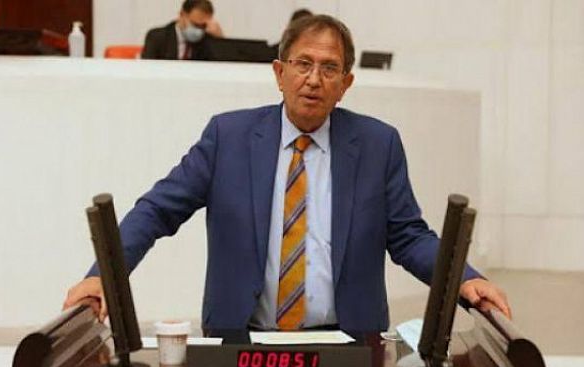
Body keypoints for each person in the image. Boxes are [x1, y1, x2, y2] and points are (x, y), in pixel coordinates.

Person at [65, 15, 511, 332]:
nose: (314, 79)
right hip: (243, 340)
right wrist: (103, 275)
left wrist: (466, 279)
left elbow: (409, 237)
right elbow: (157, 211)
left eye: (329, 68)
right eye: (302, 64)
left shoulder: (378, 145)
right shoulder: (228, 137)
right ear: (279, 73)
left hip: (348, 341)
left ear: (346, 84)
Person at [141, 0, 223, 60]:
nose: (199, 30)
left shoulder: (207, 39)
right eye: (195, 25)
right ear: (181, 15)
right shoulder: (157, 37)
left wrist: (219, 39)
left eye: (203, 26)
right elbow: (146, 69)